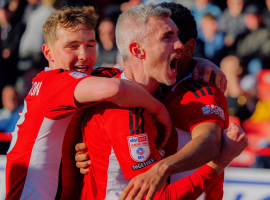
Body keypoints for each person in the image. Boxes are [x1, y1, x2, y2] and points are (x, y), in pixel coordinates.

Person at [5, 6, 174, 200]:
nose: (84, 55)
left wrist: (199, 64)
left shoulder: (72, 81)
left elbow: (128, 73)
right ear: (48, 53)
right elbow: (116, 88)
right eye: (72, 46)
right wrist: (160, 111)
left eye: (91, 45)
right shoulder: (55, 81)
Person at [76, 3, 239, 200]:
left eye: (178, 37)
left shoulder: (197, 88)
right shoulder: (124, 109)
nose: (177, 45)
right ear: (138, 50)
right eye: (167, 37)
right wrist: (220, 161)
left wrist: (200, 62)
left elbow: (210, 141)